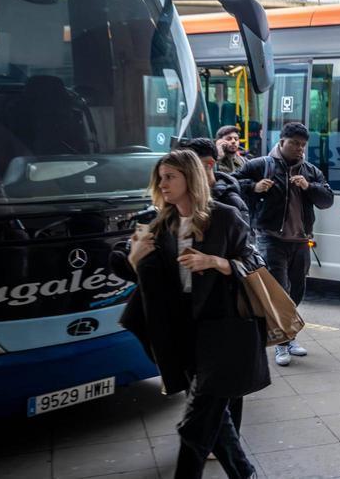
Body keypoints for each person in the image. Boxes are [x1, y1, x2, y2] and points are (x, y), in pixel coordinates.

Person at [112, 150, 264, 479]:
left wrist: (215, 262)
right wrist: (133, 260)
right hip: (181, 330)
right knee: (213, 415)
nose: (162, 184)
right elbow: (138, 271)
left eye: (170, 177)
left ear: (190, 178)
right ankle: (245, 473)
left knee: (196, 422)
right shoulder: (159, 223)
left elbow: (253, 261)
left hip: (223, 330)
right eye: (160, 178)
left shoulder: (224, 217)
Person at [234, 122, 335, 366]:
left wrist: (309, 187)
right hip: (271, 238)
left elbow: (327, 200)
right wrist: (254, 187)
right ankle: (282, 342)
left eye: (303, 145)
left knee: (297, 290)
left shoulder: (310, 171)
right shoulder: (261, 165)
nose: (300, 149)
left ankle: (289, 336)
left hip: (301, 240)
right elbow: (232, 185)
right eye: (295, 143)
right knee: (280, 291)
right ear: (281, 142)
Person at [179, 138, 250, 224]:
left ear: (209, 164)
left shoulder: (230, 202)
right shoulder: (184, 196)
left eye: (191, 164)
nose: (185, 170)